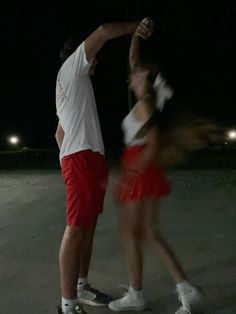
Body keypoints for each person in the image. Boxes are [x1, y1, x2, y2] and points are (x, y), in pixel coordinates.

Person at [108, 18, 203, 313]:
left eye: (136, 73)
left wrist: (130, 175)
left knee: (131, 233)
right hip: (141, 168)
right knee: (146, 233)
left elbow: (154, 142)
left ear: (145, 79)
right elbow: (133, 59)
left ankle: (138, 294)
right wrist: (136, 34)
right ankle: (183, 288)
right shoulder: (144, 98)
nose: (131, 74)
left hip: (139, 167)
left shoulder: (146, 102)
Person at [55, 21, 138, 314]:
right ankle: (67, 306)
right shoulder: (72, 68)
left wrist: (69, 156)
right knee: (76, 229)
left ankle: (81, 286)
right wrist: (136, 27)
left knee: (87, 228)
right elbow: (103, 31)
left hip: (86, 158)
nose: (97, 61)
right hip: (81, 159)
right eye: (94, 57)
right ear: (80, 53)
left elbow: (58, 133)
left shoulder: (71, 84)